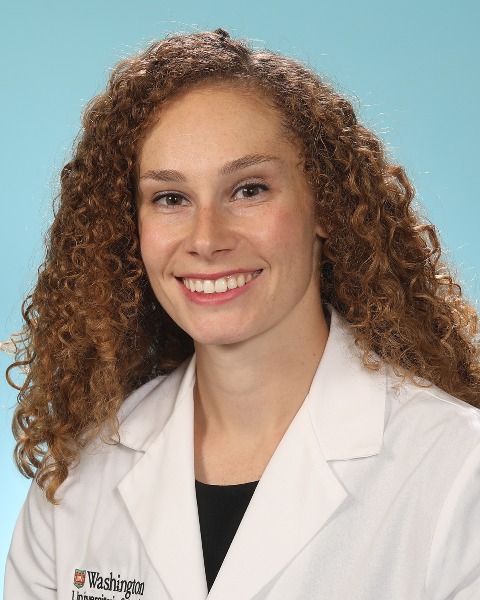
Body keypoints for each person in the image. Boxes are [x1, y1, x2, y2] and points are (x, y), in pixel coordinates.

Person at [4, 28, 480, 600]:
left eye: (249, 190)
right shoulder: (75, 483)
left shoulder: (459, 473)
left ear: (326, 207)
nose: (207, 239)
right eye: (170, 198)